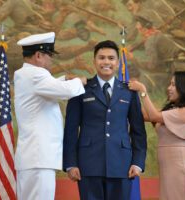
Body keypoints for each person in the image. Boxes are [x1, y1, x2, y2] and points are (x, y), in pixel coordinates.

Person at [63, 40, 147, 200]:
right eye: (101, 58)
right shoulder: (80, 88)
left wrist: (137, 162)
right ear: (94, 61)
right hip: (88, 164)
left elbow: (138, 131)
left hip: (122, 165)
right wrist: (71, 163)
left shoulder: (129, 91)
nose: (106, 62)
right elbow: (71, 129)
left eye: (111, 58)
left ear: (117, 62)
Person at [14, 32, 87, 200]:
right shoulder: (35, 75)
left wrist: (64, 78)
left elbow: (49, 87)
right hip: (38, 158)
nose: (51, 60)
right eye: (49, 55)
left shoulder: (27, 75)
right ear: (39, 55)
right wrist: (81, 80)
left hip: (34, 158)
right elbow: (65, 91)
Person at [128, 71, 185, 200]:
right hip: (168, 169)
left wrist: (142, 90)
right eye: (170, 84)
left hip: (179, 170)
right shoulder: (173, 111)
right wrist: (128, 98)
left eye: (173, 85)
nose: (169, 88)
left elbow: (153, 115)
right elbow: (144, 115)